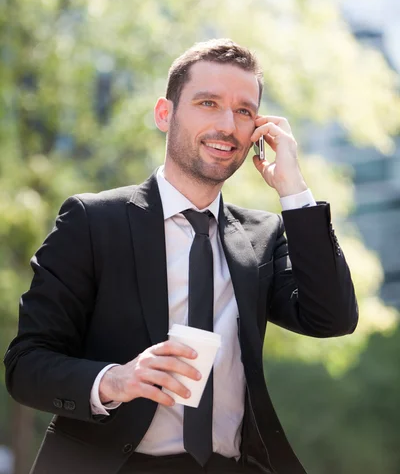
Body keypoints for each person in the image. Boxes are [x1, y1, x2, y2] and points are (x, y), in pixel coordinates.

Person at [4, 39, 358, 474]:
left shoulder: (262, 236)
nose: (227, 125)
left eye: (244, 111)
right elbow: (26, 365)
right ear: (164, 114)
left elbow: (333, 318)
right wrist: (116, 379)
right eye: (208, 103)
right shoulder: (92, 222)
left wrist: (295, 191)